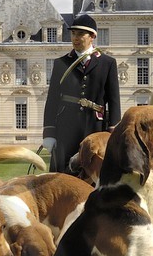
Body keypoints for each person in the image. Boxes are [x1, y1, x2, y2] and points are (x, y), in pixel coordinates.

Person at [41, 13, 120, 174]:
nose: (75, 38)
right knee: (62, 175)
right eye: (73, 34)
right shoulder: (61, 63)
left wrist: (113, 131)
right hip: (65, 126)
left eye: (80, 34)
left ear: (92, 36)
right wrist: (49, 132)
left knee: (95, 174)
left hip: (95, 126)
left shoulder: (108, 63)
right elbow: (52, 100)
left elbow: (114, 100)